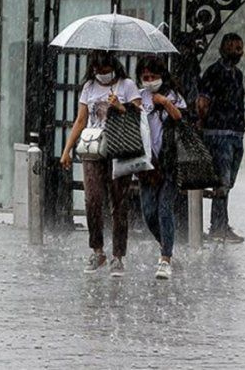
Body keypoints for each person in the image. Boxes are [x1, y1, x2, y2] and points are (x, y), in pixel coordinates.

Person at [60, 51, 142, 277]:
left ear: (113, 67)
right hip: (94, 149)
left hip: (119, 149)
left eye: (106, 71)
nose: (102, 75)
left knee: (119, 203)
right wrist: (67, 149)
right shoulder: (88, 87)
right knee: (92, 199)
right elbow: (81, 119)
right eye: (98, 71)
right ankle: (97, 250)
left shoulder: (127, 86)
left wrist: (120, 107)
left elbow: (139, 116)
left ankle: (118, 255)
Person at [136, 56, 186, 280]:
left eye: (153, 77)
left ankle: (165, 258)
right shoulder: (139, 96)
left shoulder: (173, 95)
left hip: (169, 162)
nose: (149, 81)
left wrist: (164, 102)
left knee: (164, 208)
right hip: (147, 164)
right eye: (145, 77)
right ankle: (166, 242)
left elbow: (180, 117)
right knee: (148, 212)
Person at [197, 33, 245, 244]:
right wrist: (203, 122)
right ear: (223, 49)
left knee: (228, 181)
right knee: (221, 181)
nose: (238, 52)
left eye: (240, 48)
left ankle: (221, 223)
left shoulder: (238, 75)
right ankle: (218, 226)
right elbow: (202, 102)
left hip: (235, 134)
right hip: (218, 134)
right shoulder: (213, 73)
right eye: (234, 47)